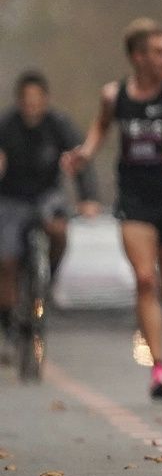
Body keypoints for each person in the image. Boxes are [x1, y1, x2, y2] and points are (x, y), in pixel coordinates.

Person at [63, 19, 162, 400]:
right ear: (137, 57)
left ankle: (157, 320)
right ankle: (159, 370)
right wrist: (84, 154)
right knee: (145, 279)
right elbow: (99, 129)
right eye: (159, 52)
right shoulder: (115, 95)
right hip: (135, 200)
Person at [0, 71, 100, 362]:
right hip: (11, 198)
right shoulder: (6, 126)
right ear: (19, 101)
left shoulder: (59, 125)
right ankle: (8, 320)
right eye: (26, 100)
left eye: (36, 100)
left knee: (58, 230)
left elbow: (80, 161)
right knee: (6, 260)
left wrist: (88, 198)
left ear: (46, 100)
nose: (31, 106)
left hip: (47, 196)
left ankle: (47, 278)